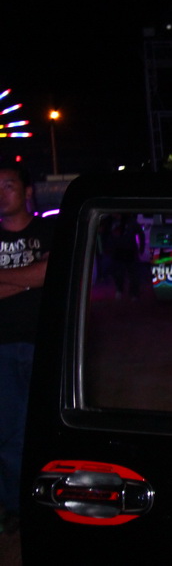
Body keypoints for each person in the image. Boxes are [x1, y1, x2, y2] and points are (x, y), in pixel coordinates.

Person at [0, 160, 54, 534]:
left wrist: (25, 278)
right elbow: (40, 274)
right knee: (8, 433)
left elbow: (51, 273)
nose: (1, 194)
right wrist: (31, 279)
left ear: (28, 191)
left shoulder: (48, 230)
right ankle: (15, 507)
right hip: (2, 348)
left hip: (42, 342)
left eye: (8, 185)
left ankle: (43, 497)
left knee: (43, 428)